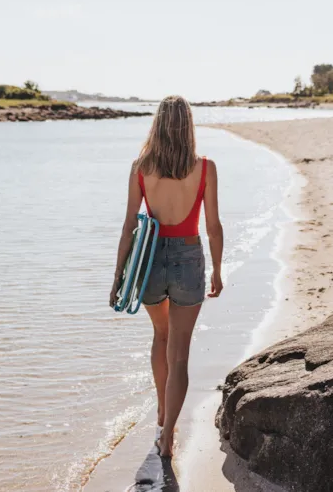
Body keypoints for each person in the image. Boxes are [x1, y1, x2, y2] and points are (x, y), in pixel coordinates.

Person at [110, 95, 224, 458]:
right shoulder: (205, 168)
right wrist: (218, 269)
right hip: (188, 258)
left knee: (160, 336)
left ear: (157, 124)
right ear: (188, 125)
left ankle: (162, 416)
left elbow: (129, 225)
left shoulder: (140, 167)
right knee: (179, 355)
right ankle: (168, 438)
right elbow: (213, 226)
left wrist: (118, 276)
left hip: (149, 260)